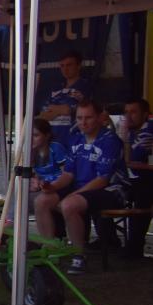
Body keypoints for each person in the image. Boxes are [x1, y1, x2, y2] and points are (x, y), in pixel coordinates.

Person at [34, 98, 123, 275]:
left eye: (88, 117)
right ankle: (50, 250)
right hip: (80, 187)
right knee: (42, 200)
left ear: (99, 117)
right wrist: (52, 186)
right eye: (79, 118)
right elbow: (68, 174)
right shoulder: (75, 139)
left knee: (69, 204)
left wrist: (72, 195)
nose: (83, 122)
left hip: (111, 190)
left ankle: (79, 256)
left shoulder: (110, 140)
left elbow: (102, 179)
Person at [120, 98, 153, 258]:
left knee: (142, 193)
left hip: (151, 181)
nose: (128, 116)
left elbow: (131, 160)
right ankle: (111, 239)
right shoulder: (131, 131)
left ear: (145, 115)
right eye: (126, 112)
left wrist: (124, 139)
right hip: (134, 181)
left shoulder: (149, 132)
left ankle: (134, 247)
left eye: (133, 112)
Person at [37, 50, 94, 147]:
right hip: (53, 139)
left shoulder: (85, 86)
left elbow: (68, 110)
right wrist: (61, 110)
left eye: (69, 65)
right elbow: (43, 113)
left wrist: (57, 110)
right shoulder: (56, 88)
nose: (65, 69)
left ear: (78, 66)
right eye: (62, 66)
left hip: (74, 139)